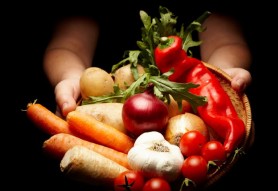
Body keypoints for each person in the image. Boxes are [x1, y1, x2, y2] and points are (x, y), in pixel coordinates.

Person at [43, 7, 252, 118]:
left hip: (187, 100)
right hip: (111, 100)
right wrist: (69, 75)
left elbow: (225, 41)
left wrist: (222, 70)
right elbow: (68, 46)